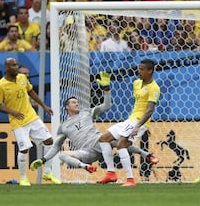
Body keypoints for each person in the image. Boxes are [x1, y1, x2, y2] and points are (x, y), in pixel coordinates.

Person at [29, 72, 159, 174]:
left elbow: (107, 106)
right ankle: (85, 167)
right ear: (67, 107)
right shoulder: (63, 127)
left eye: (77, 101)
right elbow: (56, 147)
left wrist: (106, 89)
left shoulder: (87, 112)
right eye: (73, 102)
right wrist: (43, 159)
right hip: (86, 153)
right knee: (61, 155)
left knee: (115, 140)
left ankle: (146, 155)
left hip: (98, 142)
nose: (77, 103)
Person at [0, 57, 61, 186]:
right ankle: (23, 178)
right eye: (13, 65)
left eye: (16, 64)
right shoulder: (0, 85)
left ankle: (47, 171)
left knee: (49, 141)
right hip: (18, 122)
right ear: (7, 67)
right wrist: (12, 112)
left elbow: (31, 92)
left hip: (32, 117)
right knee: (24, 149)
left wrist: (44, 106)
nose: (16, 67)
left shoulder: (22, 78)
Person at [97, 59, 160, 187]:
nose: (139, 71)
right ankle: (111, 173)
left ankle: (130, 180)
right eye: (139, 68)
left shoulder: (154, 88)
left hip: (138, 122)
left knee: (121, 144)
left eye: (142, 69)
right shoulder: (136, 83)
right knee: (103, 139)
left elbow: (149, 110)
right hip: (130, 119)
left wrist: (139, 126)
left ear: (150, 71)